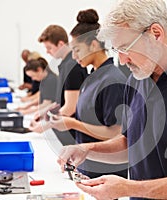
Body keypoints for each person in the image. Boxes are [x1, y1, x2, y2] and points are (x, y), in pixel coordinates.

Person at [56, 0, 167, 200]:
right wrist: (86, 149)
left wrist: (129, 188)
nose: (123, 60)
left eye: (125, 47)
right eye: (117, 51)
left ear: (155, 34)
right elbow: (130, 143)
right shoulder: (137, 79)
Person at [50, 9, 128, 179]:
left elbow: (115, 133)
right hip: (88, 168)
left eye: (77, 49)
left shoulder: (112, 80)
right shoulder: (93, 77)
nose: (74, 56)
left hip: (106, 174)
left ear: (94, 45)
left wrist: (73, 124)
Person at [29, 25, 88, 145]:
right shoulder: (64, 65)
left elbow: (71, 107)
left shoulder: (72, 66)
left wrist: (46, 125)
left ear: (61, 44)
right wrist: (45, 111)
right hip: (64, 128)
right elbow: (61, 100)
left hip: (71, 133)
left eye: (49, 48)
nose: (47, 52)